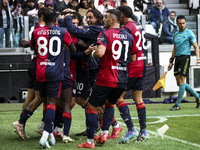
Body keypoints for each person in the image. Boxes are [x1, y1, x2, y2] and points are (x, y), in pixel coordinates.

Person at [77, 9, 137, 149]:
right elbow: (133, 58)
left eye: (106, 17)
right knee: (109, 104)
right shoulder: (128, 36)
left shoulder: (105, 34)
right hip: (122, 80)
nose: (104, 20)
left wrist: (93, 53)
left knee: (92, 108)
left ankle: (90, 141)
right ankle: (104, 133)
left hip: (106, 78)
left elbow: (100, 52)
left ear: (113, 20)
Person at [29, 8, 76, 149]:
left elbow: (33, 48)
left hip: (40, 71)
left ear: (43, 19)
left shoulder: (36, 31)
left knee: (44, 101)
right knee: (51, 103)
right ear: (56, 20)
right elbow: (73, 50)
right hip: (55, 72)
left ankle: (49, 134)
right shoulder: (62, 31)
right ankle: (45, 136)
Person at [64, 9, 105, 136]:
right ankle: (97, 126)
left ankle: (107, 126)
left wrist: (66, 17)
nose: (88, 20)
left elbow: (74, 31)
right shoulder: (86, 31)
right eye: (87, 17)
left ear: (97, 18)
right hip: (82, 69)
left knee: (89, 100)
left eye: (90, 17)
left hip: (90, 69)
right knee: (82, 100)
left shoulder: (95, 29)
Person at [12, 7, 47, 140]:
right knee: (40, 98)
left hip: (34, 63)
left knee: (30, 97)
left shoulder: (36, 28)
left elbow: (31, 45)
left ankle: (22, 125)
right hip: (40, 65)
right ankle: (22, 123)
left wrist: (26, 42)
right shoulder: (46, 29)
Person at [117, 5, 148, 143]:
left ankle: (131, 129)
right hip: (142, 64)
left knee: (117, 97)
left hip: (132, 66)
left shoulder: (127, 28)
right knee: (138, 99)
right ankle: (143, 131)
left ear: (122, 15)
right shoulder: (138, 25)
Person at [168, 15, 200, 111]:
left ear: (185, 23)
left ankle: (177, 104)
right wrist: (171, 61)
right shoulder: (176, 34)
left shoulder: (189, 33)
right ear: (177, 23)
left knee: (182, 80)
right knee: (179, 83)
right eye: (180, 23)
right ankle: (197, 96)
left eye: (183, 23)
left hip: (185, 58)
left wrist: (198, 58)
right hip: (177, 59)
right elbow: (174, 48)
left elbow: (196, 46)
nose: (182, 25)